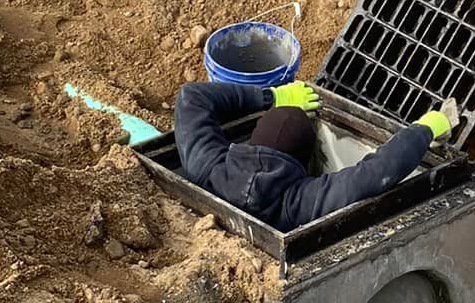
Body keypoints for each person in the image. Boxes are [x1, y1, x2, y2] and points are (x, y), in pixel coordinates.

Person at [172, 78, 453, 230]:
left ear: (252, 140)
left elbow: (191, 97)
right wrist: (423, 129)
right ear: (302, 160)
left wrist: (271, 97)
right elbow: (374, 173)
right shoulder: (298, 203)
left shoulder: (207, 167)